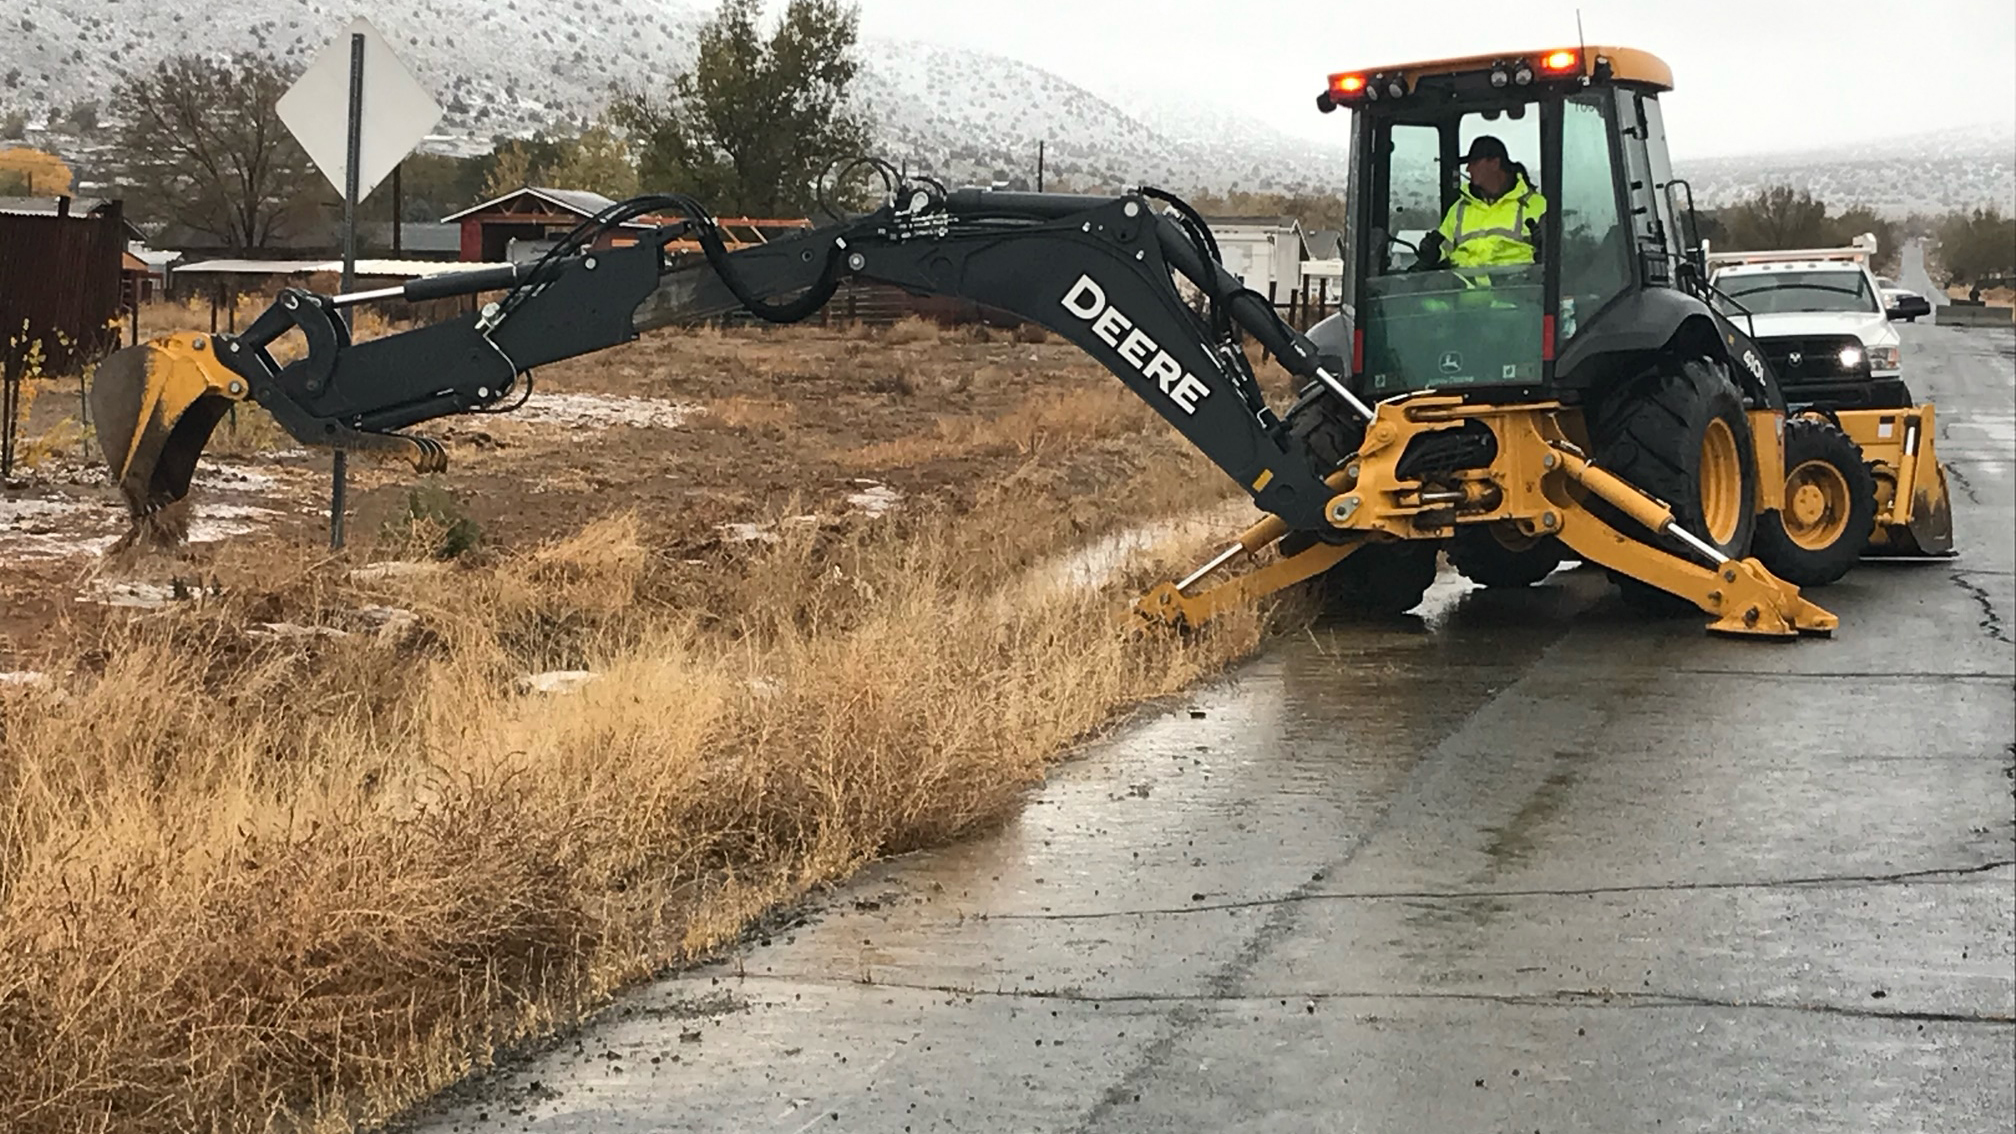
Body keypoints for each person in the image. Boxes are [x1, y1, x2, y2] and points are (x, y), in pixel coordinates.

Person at [1418, 135, 1547, 270]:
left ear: (1494, 164)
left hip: (1516, 289)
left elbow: (1556, 258)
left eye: (1474, 163)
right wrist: (1432, 253)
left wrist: (1545, 249)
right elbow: (1443, 250)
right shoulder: (1459, 209)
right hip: (1463, 290)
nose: (1468, 169)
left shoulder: (1538, 206)